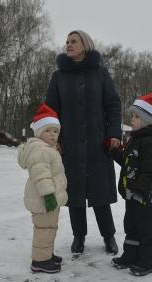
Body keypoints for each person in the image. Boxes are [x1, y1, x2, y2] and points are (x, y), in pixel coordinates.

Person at [45, 30, 121, 255]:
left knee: (100, 195)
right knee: (75, 195)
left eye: (73, 41)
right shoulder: (58, 77)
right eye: (67, 41)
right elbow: (50, 112)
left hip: (97, 144)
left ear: (85, 45)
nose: (68, 44)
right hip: (70, 145)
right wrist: (53, 139)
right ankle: (79, 237)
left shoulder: (100, 74)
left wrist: (114, 132)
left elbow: (113, 106)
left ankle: (109, 236)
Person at [110, 92, 152, 276]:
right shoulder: (136, 139)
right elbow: (130, 161)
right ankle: (130, 256)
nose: (132, 119)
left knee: (147, 230)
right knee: (132, 227)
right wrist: (114, 153)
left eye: (136, 116)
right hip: (133, 195)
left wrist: (140, 188)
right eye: (132, 116)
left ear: (148, 120)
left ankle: (148, 262)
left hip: (146, 196)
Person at [17, 103, 68, 273]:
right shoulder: (41, 151)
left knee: (49, 228)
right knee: (44, 229)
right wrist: (48, 195)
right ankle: (40, 261)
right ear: (39, 132)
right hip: (44, 199)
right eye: (48, 131)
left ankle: (46, 254)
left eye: (56, 131)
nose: (53, 135)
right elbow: (41, 176)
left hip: (48, 199)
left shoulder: (47, 149)